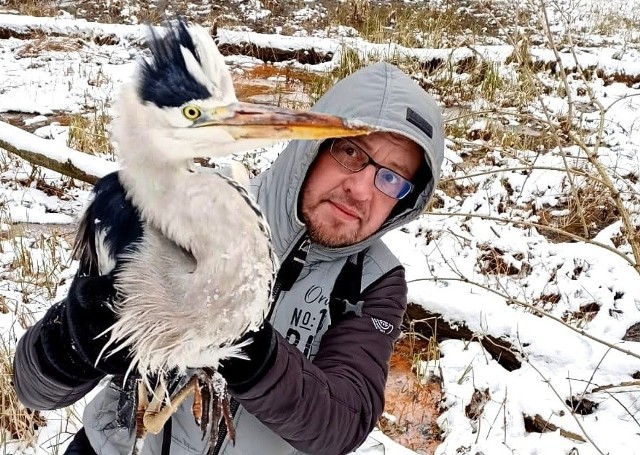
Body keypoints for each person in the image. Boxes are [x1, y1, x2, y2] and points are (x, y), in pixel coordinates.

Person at [13, 61, 444, 455]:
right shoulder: (195, 209)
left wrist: (250, 351)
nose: (362, 189)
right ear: (314, 144)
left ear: (405, 204)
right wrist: (71, 342)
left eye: (391, 179)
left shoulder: (374, 280)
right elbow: (33, 389)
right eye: (350, 151)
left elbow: (342, 423)